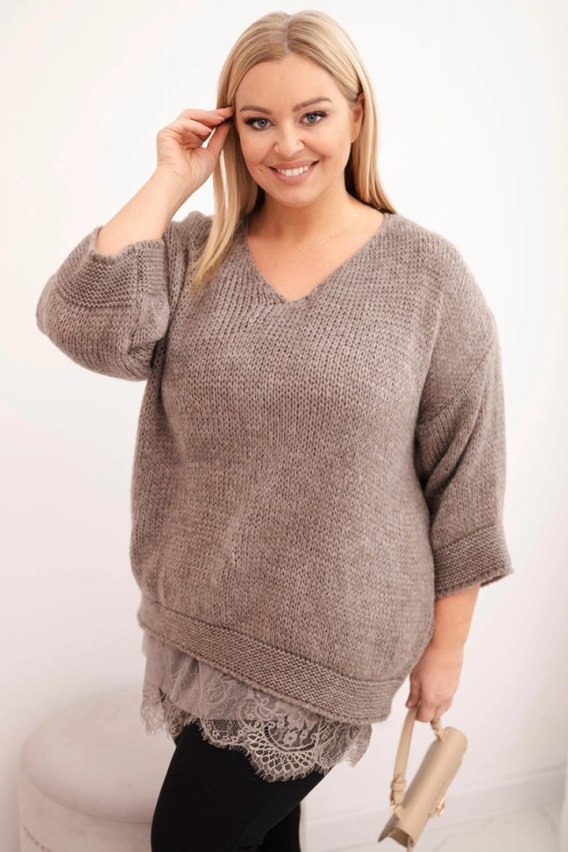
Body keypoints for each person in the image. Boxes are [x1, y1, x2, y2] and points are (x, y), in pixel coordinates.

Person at [35, 9, 514, 851]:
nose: (286, 144)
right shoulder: (194, 254)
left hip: (334, 636)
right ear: (231, 129)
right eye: (258, 121)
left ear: (356, 115)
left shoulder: (427, 274)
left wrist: (448, 651)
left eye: (312, 115)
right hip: (200, 619)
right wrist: (169, 182)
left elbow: (466, 473)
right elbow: (81, 324)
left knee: (190, 838)